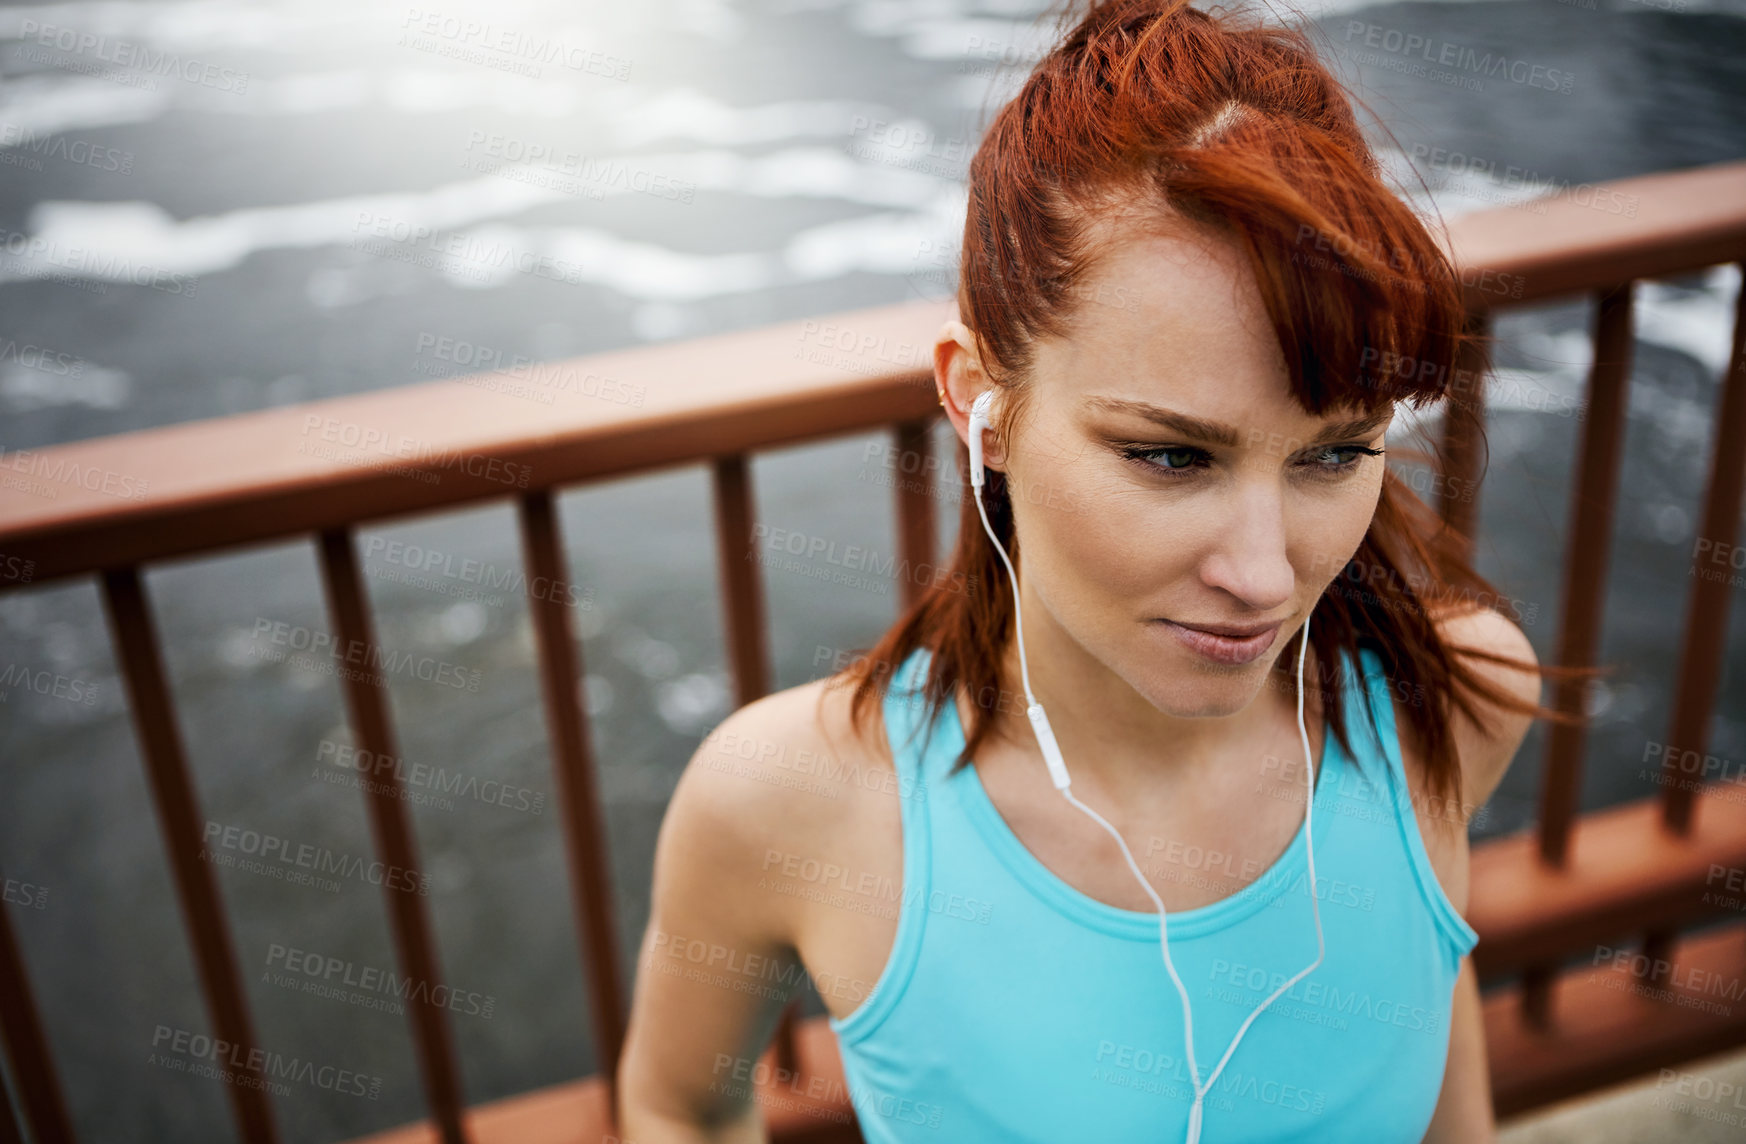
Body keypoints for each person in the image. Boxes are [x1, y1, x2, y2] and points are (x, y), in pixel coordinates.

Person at [618, 1, 1583, 1139]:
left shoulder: (1455, 700)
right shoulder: (794, 802)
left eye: (1334, 453)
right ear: (979, 402)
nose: (1266, 574)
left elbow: (1429, 990)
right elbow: (676, 1108)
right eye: (1171, 454)